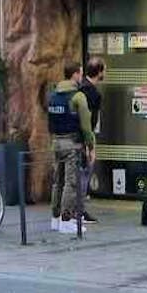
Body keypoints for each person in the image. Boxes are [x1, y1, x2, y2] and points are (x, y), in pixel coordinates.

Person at [48, 62, 95, 235]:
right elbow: (86, 125)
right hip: (71, 143)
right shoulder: (78, 96)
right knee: (71, 182)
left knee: (57, 181)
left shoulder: (53, 95)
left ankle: (55, 218)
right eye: (80, 73)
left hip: (55, 142)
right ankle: (66, 220)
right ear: (75, 74)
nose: (81, 76)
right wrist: (90, 146)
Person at [77, 57, 105, 223]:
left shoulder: (79, 88)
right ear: (99, 72)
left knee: (76, 176)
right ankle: (79, 211)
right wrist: (90, 145)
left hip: (74, 136)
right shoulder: (93, 93)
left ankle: (74, 211)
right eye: (104, 70)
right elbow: (90, 120)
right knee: (84, 173)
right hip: (83, 138)